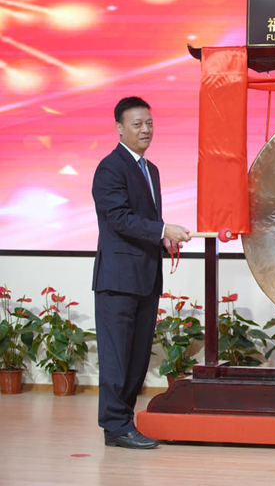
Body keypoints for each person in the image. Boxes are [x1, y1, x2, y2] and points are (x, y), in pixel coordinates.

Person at [91, 96, 190, 449]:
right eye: (137, 124)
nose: (145, 129)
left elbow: (142, 222)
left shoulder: (151, 169)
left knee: (136, 358)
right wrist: (162, 229)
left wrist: (162, 240)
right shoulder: (110, 168)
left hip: (146, 277)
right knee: (117, 358)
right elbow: (119, 218)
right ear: (119, 128)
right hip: (117, 280)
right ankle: (115, 426)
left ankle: (125, 423)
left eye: (149, 123)